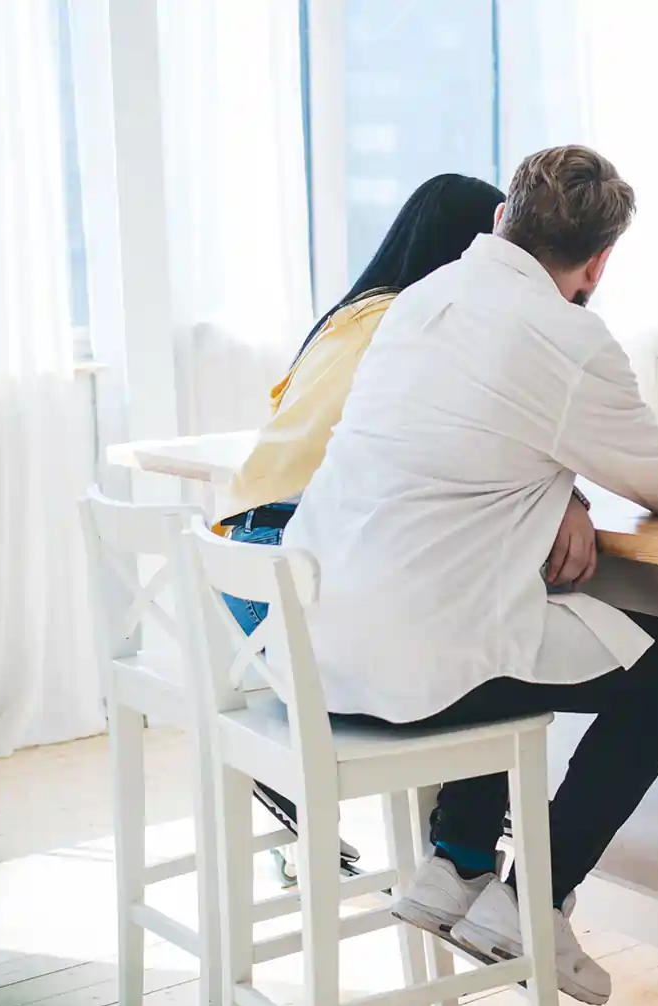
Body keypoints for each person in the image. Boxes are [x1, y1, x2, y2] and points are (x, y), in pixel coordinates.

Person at [284, 145, 658, 1006]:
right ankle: (532, 903)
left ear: (501, 221)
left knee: (532, 616)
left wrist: (555, 487)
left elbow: (471, 443)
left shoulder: (419, 301)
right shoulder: (569, 337)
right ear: (598, 262)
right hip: (413, 663)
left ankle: (454, 872)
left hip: (319, 642)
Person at [211, 173, 508, 881]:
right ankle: (465, 844)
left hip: (240, 573)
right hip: (293, 576)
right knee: (486, 625)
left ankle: (295, 769)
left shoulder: (348, 316)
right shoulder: (415, 326)